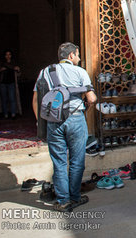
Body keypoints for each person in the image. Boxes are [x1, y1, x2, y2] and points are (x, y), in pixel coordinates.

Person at [31, 42, 96, 212]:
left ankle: (63, 201)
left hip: (53, 121)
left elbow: (36, 100)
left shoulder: (45, 72)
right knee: (77, 160)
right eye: (78, 54)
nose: (79, 58)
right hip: (75, 118)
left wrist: (41, 121)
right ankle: (75, 197)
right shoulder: (80, 72)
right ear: (71, 56)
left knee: (59, 162)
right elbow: (92, 98)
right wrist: (84, 111)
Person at [0, 50, 21, 118]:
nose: (8, 56)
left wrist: (17, 69)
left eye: (9, 54)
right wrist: (0, 70)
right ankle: (5, 114)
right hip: (3, 83)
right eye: (6, 55)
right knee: (4, 99)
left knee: (12, 98)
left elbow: (19, 73)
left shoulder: (13, 63)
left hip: (11, 83)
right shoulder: (1, 63)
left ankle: (13, 114)